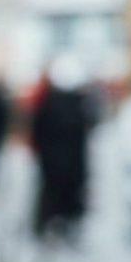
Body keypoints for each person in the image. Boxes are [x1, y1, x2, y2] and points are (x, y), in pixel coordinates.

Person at [30, 57, 97, 238]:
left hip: (57, 161)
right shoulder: (74, 105)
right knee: (58, 195)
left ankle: (53, 224)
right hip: (64, 162)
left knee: (55, 195)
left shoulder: (57, 103)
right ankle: (56, 224)